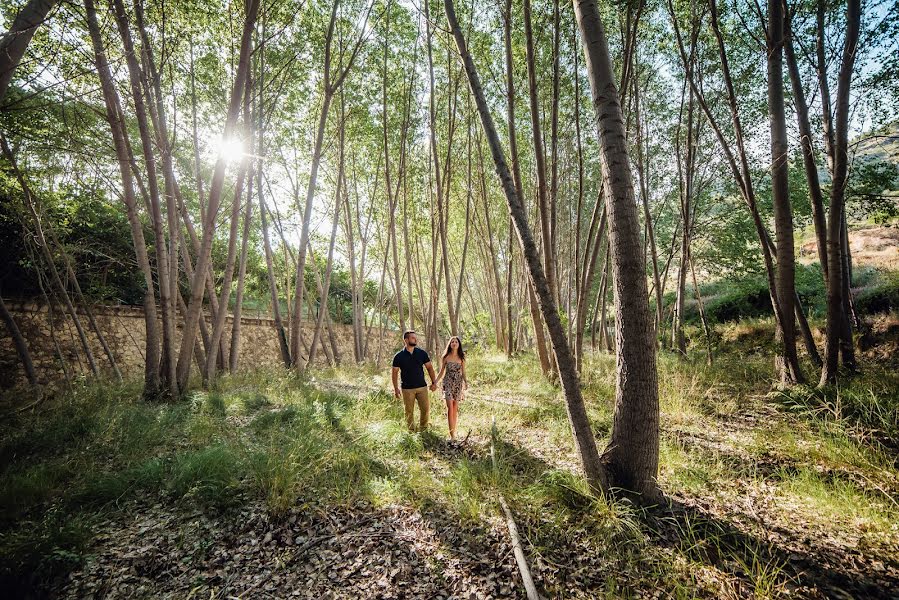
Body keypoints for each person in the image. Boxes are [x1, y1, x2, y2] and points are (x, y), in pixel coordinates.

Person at [391, 330, 438, 432]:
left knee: (425, 410)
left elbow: (429, 368)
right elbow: (394, 372)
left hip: (422, 387)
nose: (415, 339)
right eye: (413, 338)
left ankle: (423, 430)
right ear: (406, 340)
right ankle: (411, 432)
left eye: (415, 337)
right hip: (407, 389)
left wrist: (434, 382)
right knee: (409, 412)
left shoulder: (421, 353)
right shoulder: (399, 356)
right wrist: (396, 388)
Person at [434, 336, 468, 440]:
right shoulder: (446, 357)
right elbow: (441, 372)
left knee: (455, 408)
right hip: (447, 382)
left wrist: (466, 382)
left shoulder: (461, 357)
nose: (454, 343)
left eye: (456, 342)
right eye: (452, 342)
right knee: (450, 407)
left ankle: (454, 430)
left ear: (459, 344)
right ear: (450, 344)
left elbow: (464, 372)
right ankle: (452, 435)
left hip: (458, 383)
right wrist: (435, 382)